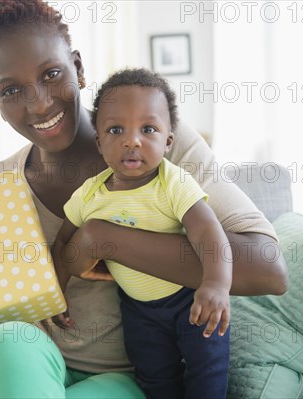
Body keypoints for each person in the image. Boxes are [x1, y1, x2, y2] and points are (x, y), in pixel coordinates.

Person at [0, 1, 288, 397]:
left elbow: (268, 269)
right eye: (11, 90)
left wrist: (105, 239)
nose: (39, 103)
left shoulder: (158, 144)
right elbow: (18, 324)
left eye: (50, 74)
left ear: (78, 68)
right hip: (38, 362)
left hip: (130, 376)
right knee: (5, 343)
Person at [52, 68, 231, 398]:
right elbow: (62, 242)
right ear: (100, 143)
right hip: (137, 310)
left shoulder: (172, 183)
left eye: (148, 129)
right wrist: (58, 290)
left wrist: (216, 284)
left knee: (208, 374)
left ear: (168, 141)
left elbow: (208, 232)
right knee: (154, 378)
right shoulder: (89, 196)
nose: (131, 140)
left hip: (190, 299)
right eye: (116, 129)